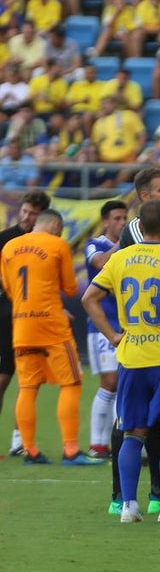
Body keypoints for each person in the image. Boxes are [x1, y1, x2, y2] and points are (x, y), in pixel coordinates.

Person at [82, 201, 160, 523]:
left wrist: (114, 336)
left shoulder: (121, 259)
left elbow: (89, 299)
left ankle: (128, 506)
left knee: (132, 432)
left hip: (131, 356)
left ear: (139, 226)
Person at [0, 209, 99, 466]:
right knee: (72, 383)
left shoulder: (9, 247)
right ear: (55, 225)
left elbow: (8, 287)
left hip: (21, 325)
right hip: (51, 325)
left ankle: (30, 451)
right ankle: (71, 450)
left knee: (27, 387)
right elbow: (69, 287)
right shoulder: (57, 244)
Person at [0, 189, 51, 457]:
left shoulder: (49, 242)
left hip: (34, 319)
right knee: (3, 378)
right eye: (25, 211)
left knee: (29, 380)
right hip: (5, 317)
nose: (26, 217)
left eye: (33, 214)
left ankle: (19, 441)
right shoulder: (4, 239)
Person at [86, 200, 129, 459]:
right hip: (101, 325)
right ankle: (96, 443)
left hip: (124, 324)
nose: (122, 222)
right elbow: (101, 263)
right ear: (105, 221)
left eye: (125, 218)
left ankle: (114, 443)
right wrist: (122, 243)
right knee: (109, 382)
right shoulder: (97, 244)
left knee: (122, 384)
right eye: (116, 218)